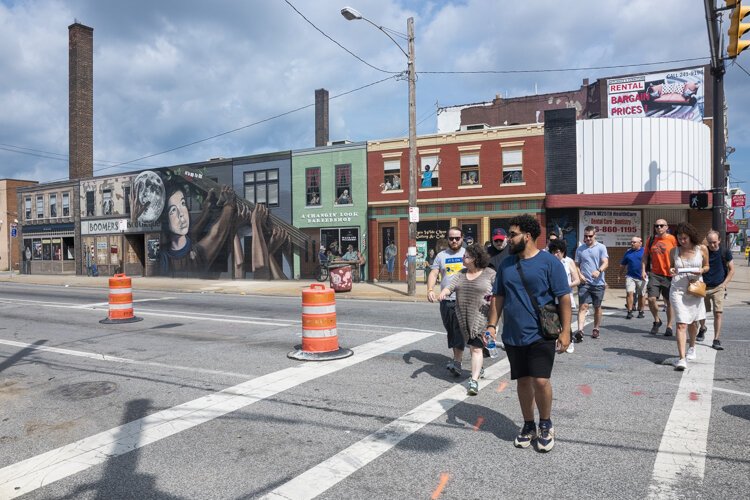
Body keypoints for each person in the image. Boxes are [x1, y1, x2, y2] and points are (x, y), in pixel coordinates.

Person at [486, 214, 571, 452]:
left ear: (528, 235)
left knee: (540, 380)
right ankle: (528, 425)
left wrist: (567, 331)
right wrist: (492, 325)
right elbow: (498, 296)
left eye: (513, 235)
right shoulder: (506, 264)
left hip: (541, 333)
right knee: (522, 381)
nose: (509, 239)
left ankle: (546, 424)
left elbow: (563, 297)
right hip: (513, 334)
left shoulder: (549, 263)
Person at [438, 243, 496, 396]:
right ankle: (479, 368)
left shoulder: (490, 273)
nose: (463, 258)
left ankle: (474, 380)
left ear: (475, 259)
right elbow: (450, 287)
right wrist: (443, 292)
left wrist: (493, 300)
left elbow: (499, 292)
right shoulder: (461, 273)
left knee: (476, 348)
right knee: (472, 346)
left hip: (482, 316)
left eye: (466, 256)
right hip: (463, 316)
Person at [668, 222, 709, 371]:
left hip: (695, 288)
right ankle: (681, 358)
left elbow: (707, 266)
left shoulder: (702, 249)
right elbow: (671, 267)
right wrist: (672, 270)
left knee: (693, 322)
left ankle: (692, 347)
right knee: (681, 324)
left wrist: (701, 271)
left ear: (691, 237)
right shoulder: (674, 251)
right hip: (678, 289)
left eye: (684, 238)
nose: (682, 241)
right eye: (679, 238)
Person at [427, 227, 466, 377]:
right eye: (451, 238)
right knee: (451, 330)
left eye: (457, 238)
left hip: (464, 300)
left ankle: (458, 361)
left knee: (459, 331)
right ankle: (459, 359)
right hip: (446, 301)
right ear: (447, 239)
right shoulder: (441, 256)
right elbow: (434, 272)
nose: (454, 241)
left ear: (462, 238)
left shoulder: (468, 254)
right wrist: (430, 289)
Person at [697, 230, 734, 350]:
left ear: (719, 240)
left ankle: (716, 339)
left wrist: (724, 284)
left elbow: (731, 269)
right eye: (710, 242)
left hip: (718, 287)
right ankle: (702, 328)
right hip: (703, 287)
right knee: (702, 312)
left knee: (718, 313)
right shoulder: (703, 251)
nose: (712, 245)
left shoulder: (725, 252)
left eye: (714, 242)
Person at [642, 219, 678, 336]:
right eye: (656, 226)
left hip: (669, 275)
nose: (659, 228)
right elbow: (646, 256)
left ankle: (669, 326)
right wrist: (643, 270)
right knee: (651, 299)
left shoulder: (672, 239)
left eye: (661, 226)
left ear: (667, 227)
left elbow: (679, 254)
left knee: (669, 302)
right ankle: (657, 320)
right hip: (655, 274)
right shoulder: (651, 240)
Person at [574, 226, 609, 341]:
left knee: (597, 307)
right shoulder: (580, 249)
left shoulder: (601, 247)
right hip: (584, 283)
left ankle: (596, 328)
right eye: (586, 236)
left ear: (595, 235)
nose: (588, 238)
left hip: (598, 283)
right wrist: (580, 275)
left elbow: (606, 263)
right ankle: (580, 331)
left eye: (590, 236)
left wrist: (599, 271)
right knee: (583, 306)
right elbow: (577, 265)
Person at [548, 238, 579, 353]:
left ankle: (569, 341)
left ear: (563, 252)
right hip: (552, 297)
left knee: (565, 321)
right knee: (553, 321)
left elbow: (577, 280)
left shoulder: (568, 262)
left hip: (565, 297)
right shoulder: (548, 263)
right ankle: (556, 341)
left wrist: (565, 286)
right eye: (553, 252)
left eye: (558, 252)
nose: (556, 254)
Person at [620, 236, 645, 319]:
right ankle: (629, 311)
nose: (632, 243)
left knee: (641, 295)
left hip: (642, 277)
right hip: (630, 276)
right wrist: (619, 275)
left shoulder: (645, 251)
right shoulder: (628, 252)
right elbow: (623, 265)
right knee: (629, 293)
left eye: (634, 242)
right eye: (631, 242)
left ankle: (641, 311)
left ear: (640, 243)